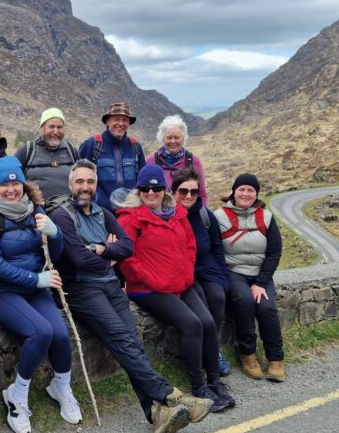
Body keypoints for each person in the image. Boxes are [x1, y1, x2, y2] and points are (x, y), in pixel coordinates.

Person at [50, 159, 211, 433]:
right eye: (80, 182)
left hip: (110, 286)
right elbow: (76, 257)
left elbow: (125, 248)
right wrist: (106, 251)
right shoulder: (62, 216)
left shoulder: (102, 213)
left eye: (90, 182)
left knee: (133, 342)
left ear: (96, 185)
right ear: (70, 184)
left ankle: (154, 411)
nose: (85, 187)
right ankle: (173, 396)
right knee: (121, 338)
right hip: (82, 290)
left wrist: (99, 249)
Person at [0, 156, 78, 433]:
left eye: (15, 183)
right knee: (40, 332)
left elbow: (51, 256)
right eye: (4, 184)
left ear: (23, 185)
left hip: (34, 287)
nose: (10, 189)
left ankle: (61, 387)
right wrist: (36, 279)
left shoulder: (35, 211)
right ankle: (16, 395)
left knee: (61, 334)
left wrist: (55, 235)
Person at [117, 165, 233, 413]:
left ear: (164, 189)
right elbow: (127, 258)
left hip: (180, 283)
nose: (151, 192)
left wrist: (186, 272)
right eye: (145, 188)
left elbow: (190, 245)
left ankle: (215, 382)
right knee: (192, 325)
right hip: (149, 289)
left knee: (209, 323)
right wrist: (153, 279)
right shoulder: (130, 217)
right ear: (139, 189)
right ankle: (199, 387)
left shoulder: (176, 213)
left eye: (156, 187)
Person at [213, 174, 285, 382]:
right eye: (241, 189)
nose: (245, 194)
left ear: (256, 194)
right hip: (233, 272)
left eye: (250, 190)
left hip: (260, 275)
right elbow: (215, 249)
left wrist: (261, 282)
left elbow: (274, 252)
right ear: (233, 192)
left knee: (267, 307)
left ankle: (276, 358)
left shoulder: (267, 217)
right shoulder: (219, 217)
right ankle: (248, 354)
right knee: (244, 301)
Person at [172, 167, 237, 397]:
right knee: (200, 306)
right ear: (173, 192)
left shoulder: (204, 215)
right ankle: (205, 354)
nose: (189, 196)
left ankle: (214, 348)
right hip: (185, 273)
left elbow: (218, 249)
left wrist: (222, 278)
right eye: (183, 191)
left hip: (205, 270)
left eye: (194, 192)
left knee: (218, 297)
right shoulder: (169, 215)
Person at [78, 102, 146, 210]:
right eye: (116, 119)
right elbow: (78, 179)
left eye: (125, 120)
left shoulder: (135, 147)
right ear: (108, 121)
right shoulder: (92, 145)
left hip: (130, 213)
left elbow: (143, 181)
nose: (121, 123)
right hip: (99, 213)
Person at [13, 108, 78, 202]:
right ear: (42, 128)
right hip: (37, 212)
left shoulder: (71, 150)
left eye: (59, 127)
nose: (56, 131)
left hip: (67, 212)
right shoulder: (27, 150)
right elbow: (12, 179)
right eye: (51, 126)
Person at [146, 116, 209, 207]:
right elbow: (143, 191)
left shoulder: (194, 161)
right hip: (159, 215)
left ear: (183, 139)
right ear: (162, 139)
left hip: (188, 215)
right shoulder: (150, 161)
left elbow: (202, 193)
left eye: (176, 137)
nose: (173, 141)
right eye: (169, 137)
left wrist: (203, 214)